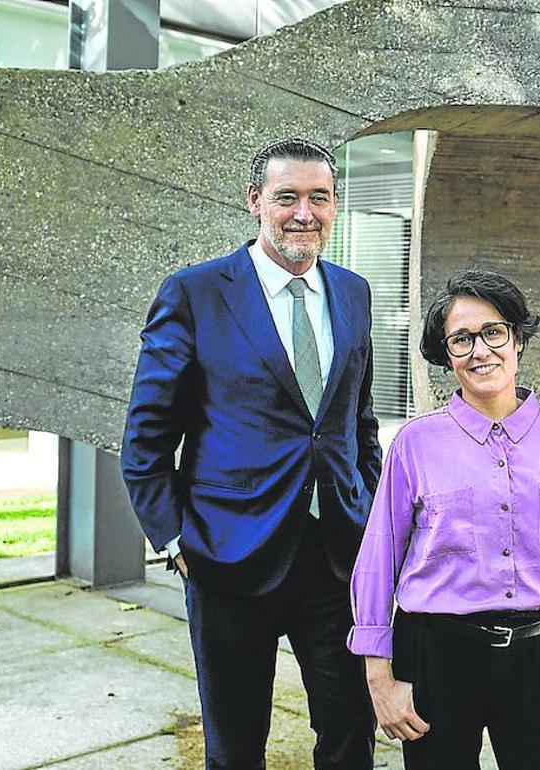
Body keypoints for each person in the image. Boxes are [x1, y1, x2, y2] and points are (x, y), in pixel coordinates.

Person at [120, 138, 380, 770]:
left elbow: (358, 424)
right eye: (286, 196)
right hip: (227, 555)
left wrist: (371, 510)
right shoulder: (196, 293)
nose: (303, 213)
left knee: (350, 735)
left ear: (335, 206)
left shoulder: (353, 292)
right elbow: (147, 436)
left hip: (336, 557)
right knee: (235, 747)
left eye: (319, 198)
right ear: (255, 202)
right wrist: (174, 539)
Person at [347, 269, 540, 770]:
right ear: (446, 355)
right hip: (436, 657)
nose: (480, 350)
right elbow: (378, 560)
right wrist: (379, 679)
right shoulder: (414, 445)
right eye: (461, 339)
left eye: (493, 332)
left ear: (517, 338)